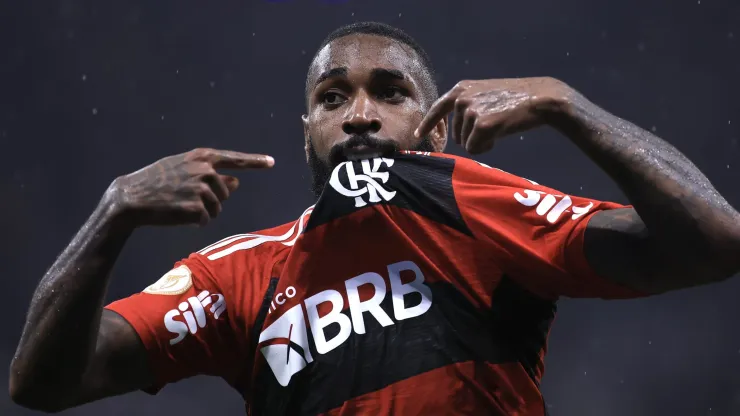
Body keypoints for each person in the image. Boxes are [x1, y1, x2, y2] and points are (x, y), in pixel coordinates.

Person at [9, 21, 740, 415]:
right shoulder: (238, 273)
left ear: (436, 129)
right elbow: (41, 385)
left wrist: (567, 103)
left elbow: (715, 244)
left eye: (390, 93)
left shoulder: (474, 203)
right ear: (307, 135)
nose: (359, 115)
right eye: (333, 98)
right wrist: (111, 215)